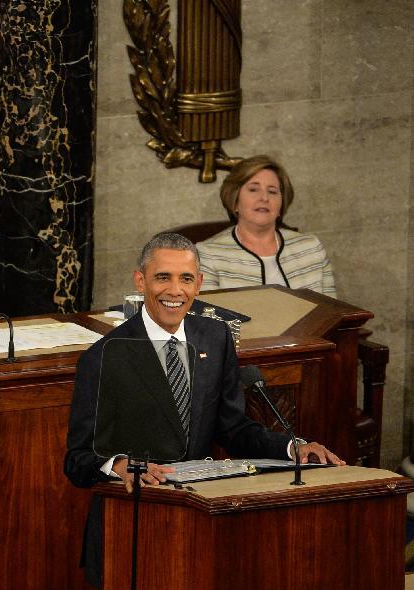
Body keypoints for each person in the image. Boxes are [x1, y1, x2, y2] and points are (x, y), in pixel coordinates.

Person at [63, 232, 343, 588]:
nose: (174, 290)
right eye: (163, 277)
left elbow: (233, 429)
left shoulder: (215, 337)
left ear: (200, 284)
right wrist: (118, 465)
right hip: (131, 529)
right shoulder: (103, 356)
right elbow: (77, 460)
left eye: (186, 278)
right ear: (140, 280)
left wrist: (291, 448)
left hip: (197, 522)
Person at [196, 154, 336, 296]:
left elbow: (333, 312)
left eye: (272, 191)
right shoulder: (208, 254)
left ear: (281, 205)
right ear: (235, 200)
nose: (264, 198)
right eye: (253, 189)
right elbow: (208, 316)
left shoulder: (311, 248)